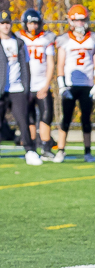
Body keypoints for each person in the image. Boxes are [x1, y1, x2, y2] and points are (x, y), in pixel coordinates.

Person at [54, 4, 95, 163]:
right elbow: (60, 64)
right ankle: (61, 150)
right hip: (70, 84)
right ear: (71, 21)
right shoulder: (64, 40)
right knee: (66, 118)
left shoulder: (94, 39)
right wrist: (61, 85)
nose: (81, 23)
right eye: (78, 20)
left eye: (83, 20)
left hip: (87, 84)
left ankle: (88, 152)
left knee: (86, 119)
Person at [0, 10, 39, 165]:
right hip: (1, 90)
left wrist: (26, 88)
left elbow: (26, 66)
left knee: (23, 120)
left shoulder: (19, 42)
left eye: (7, 23)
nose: (5, 26)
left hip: (17, 89)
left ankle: (30, 151)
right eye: (2, 23)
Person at [17, 9, 56, 160]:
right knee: (29, 118)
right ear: (25, 24)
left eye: (35, 23)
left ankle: (46, 147)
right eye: (30, 23)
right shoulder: (19, 38)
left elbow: (51, 63)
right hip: (24, 86)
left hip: (42, 84)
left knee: (46, 116)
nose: (33, 26)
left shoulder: (47, 38)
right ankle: (31, 147)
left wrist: (46, 85)